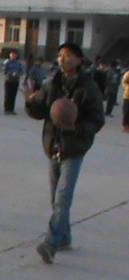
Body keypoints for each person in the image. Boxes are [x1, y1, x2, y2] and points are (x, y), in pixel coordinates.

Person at [25, 43, 104, 264]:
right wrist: (30, 103)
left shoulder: (88, 88)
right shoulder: (52, 84)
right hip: (54, 147)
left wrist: (75, 127)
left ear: (79, 60)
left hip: (74, 149)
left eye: (68, 56)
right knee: (56, 199)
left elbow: (97, 120)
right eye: (60, 55)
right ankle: (65, 238)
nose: (62, 59)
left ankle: (50, 244)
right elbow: (41, 111)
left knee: (62, 198)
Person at [3, 49, 24, 115]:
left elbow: (22, 72)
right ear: (10, 55)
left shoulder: (19, 63)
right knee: (7, 95)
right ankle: (6, 109)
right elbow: (4, 71)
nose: (13, 56)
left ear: (16, 56)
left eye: (14, 55)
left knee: (13, 96)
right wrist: (11, 73)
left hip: (15, 81)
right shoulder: (7, 62)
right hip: (8, 80)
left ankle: (11, 109)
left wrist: (17, 74)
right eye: (12, 55)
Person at [122, 67, 129, 132]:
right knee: (126, 111)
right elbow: (123, 82)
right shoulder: (127, 74)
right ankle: (125, 126)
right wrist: (127, 88)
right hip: (127, 96)